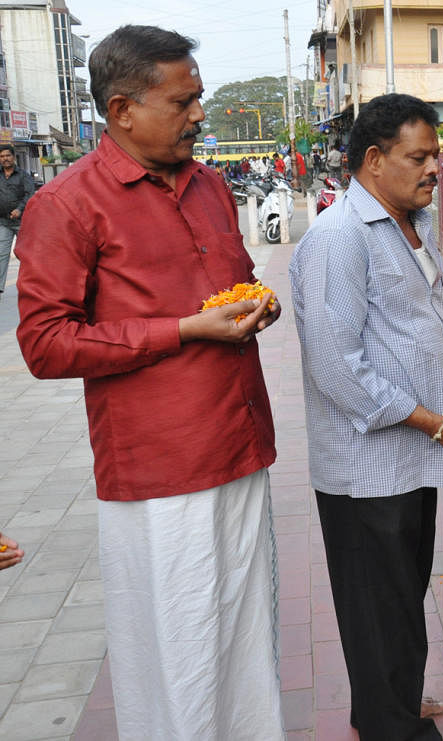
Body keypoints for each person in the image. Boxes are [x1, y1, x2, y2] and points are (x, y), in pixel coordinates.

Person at [14, 25, 284, 739]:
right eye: (184, 101)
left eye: (199, 98)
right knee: (178, 653)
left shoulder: (211, 185)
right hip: (160, 471)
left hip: (241, 444)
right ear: (123, 109)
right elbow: (44, 343)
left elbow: (233, 281)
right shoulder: (66, 204)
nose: (200, 114)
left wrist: (257, 300)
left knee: (248, 636)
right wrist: (181, 330)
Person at [290, 93, 443, 740]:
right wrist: (441, 424)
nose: (434, 168)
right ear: (373, 159)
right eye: (419, 157)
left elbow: (436, 330)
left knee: (400, 605)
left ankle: (386, 707)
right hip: (366, 473)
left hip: (413, 459)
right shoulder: (339, 240)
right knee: (380, 613)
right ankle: (395, 727)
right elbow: (339, 369)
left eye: (438, 156)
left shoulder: (412, 228)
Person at [0, 143, 35, 294]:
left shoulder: (23, 175)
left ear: (13, 157)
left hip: (22, 222)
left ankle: (32, 284)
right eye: (2, 156)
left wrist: (20, 209)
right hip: (3, 222)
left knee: (25, 254)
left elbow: (30, 194)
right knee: (1, 253)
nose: (5, 159)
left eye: (7, 155)